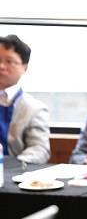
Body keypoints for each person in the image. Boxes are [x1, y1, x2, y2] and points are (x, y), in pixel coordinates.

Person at [0, 34, 50, 164]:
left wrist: (11, 165)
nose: (1, 66)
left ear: (24, 67)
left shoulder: (35, 108)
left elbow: (39, 149)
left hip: (13, 175)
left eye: (9, 61)